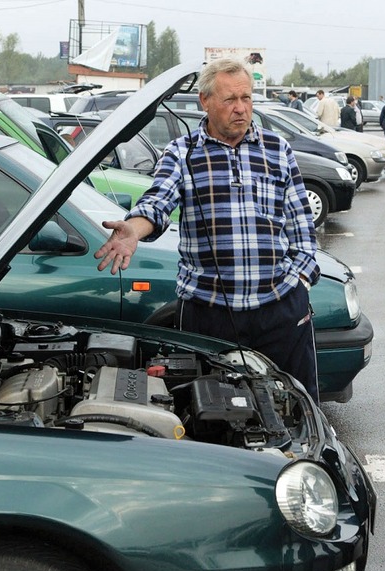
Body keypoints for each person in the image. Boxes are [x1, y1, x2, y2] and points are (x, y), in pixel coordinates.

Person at [93, 58, 321, 401]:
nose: (241, 109)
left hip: (280, 309)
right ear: (205, 101)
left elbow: (301, 223)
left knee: (296, 405)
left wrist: (301, 281)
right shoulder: (182, 153)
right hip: (210, 315)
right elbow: (157, 202)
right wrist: (134, 230)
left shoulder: (277, 150)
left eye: (246, 98)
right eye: (230, 100)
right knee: (213, 414)